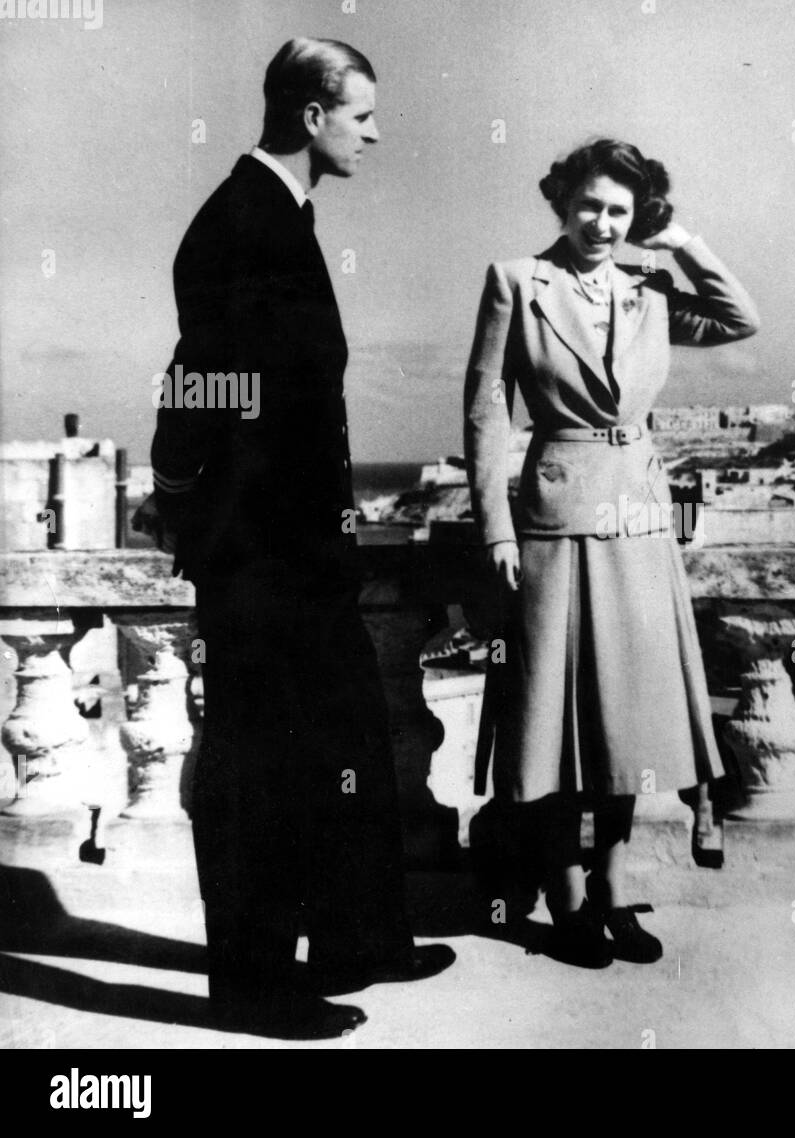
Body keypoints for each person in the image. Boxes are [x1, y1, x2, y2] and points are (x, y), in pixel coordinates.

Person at [139, 37, 450, 1038]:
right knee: (258, 763)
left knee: (346, 735)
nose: (374, 131)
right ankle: (255, 979)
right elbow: (201, 381)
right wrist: (179, 489)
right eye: (360, 113)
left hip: (302, 548)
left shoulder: (279, 214)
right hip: (257, 552)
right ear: (310, 115)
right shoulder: (240, 221)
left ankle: (362, 937)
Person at [464, 138, 760, 967]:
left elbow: (741, 318)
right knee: (557, 723)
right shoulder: (517, 283)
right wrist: (494, 526)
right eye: (590, 205)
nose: (602, 223)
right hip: (555, 519)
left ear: (639, 219)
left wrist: (686, 246)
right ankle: (563, 897)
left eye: (620, 212)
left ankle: (616, 888)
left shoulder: (649, 288)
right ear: (562, 202)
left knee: (626, 720)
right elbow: (488, 413)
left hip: (637, 519)